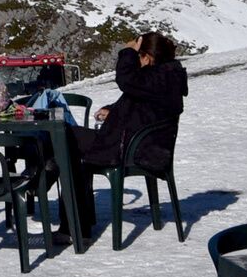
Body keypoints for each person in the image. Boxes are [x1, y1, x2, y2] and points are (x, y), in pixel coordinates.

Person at [72, 31, 186, 172]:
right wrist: (112, 110)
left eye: (137, 56)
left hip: (134, 150)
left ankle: (64, 191)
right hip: (143, 147)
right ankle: (72, 192)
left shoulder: (158, 78)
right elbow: (140, 105)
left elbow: (126, 80)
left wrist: (127, 52)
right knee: (68, 140)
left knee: (66, 136)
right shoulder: (165, 77)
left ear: (147, 58)